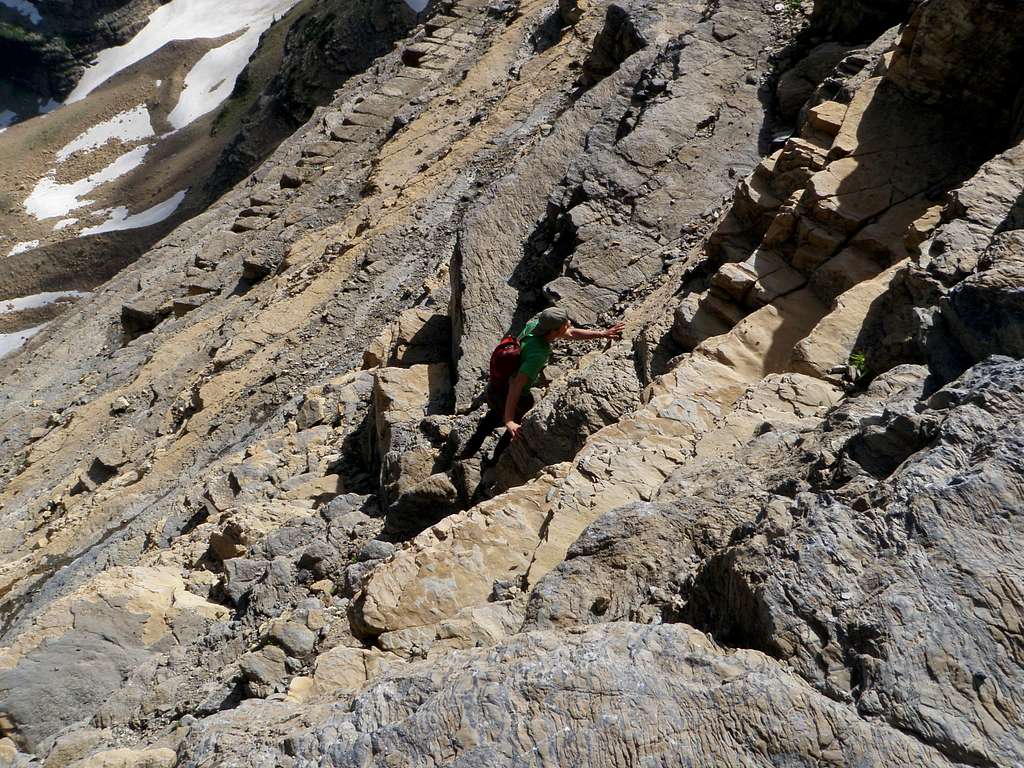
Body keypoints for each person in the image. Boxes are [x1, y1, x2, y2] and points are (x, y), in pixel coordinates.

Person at [460, 306, 624, 462]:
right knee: (517, 429)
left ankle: (466, 452)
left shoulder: (534, 326)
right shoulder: (538, 352)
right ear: (553, 331)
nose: (569, 324)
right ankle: (495, 462)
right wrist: (509, 420)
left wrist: (603, 333)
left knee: (490, 419)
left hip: (496, 387)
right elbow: (517, 385)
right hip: (511, 393)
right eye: (565, 323)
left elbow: (571, 333)